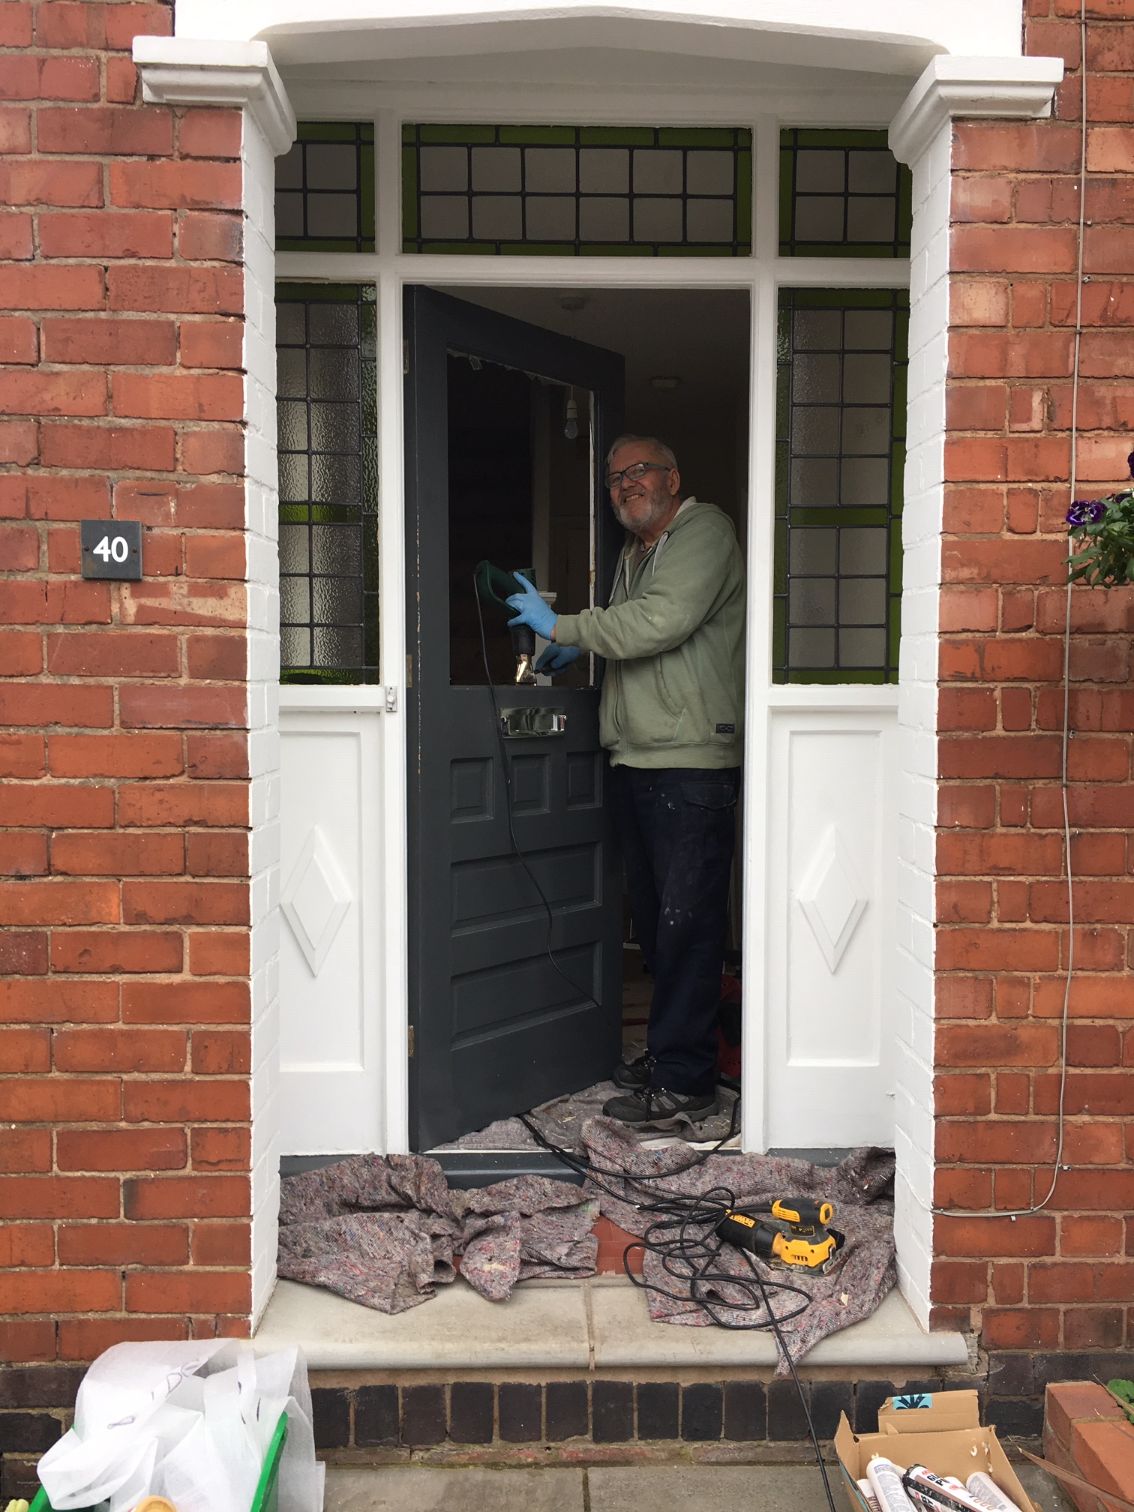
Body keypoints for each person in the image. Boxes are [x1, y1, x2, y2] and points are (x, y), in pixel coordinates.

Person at [505, 435, 745, 1130]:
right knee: (658, 926)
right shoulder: (632, 555)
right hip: (639, 757)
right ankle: (674, 1054)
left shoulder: (705, 531)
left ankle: (687, 1083)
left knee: (687, 928)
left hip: (691, 760)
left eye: (638, 471)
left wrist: (566, 622)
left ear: (673, 476)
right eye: (614, 480)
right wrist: (566, 643)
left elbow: (661, 621)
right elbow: (626, 626)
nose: (624, 486)